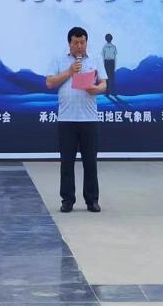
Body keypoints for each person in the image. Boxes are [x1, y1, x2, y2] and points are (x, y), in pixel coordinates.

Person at [46, 26, 108, 213]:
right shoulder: (58, 59)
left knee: (90, 162)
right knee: (67, 162)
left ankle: (92, 200)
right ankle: (67, 200)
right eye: (76, 42)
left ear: (86, 42)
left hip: (89, 119)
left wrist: (96, 89)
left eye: (82, 42)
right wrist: (69, 72)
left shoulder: (95, 58)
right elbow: (49, 83)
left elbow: (104, 84)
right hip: (67, 119)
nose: (79, 46)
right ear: (69, 43)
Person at [102, 33, 118, 100]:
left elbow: (103, 57)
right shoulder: (114, 47)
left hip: (107, 62)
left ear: (106, 39)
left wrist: (103, 65)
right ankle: (113, 92)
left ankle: (107, 93)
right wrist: (115, 65)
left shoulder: (104, 47)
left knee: (107, 78)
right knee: (112, 77)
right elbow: (115, 57)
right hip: (112, 62)